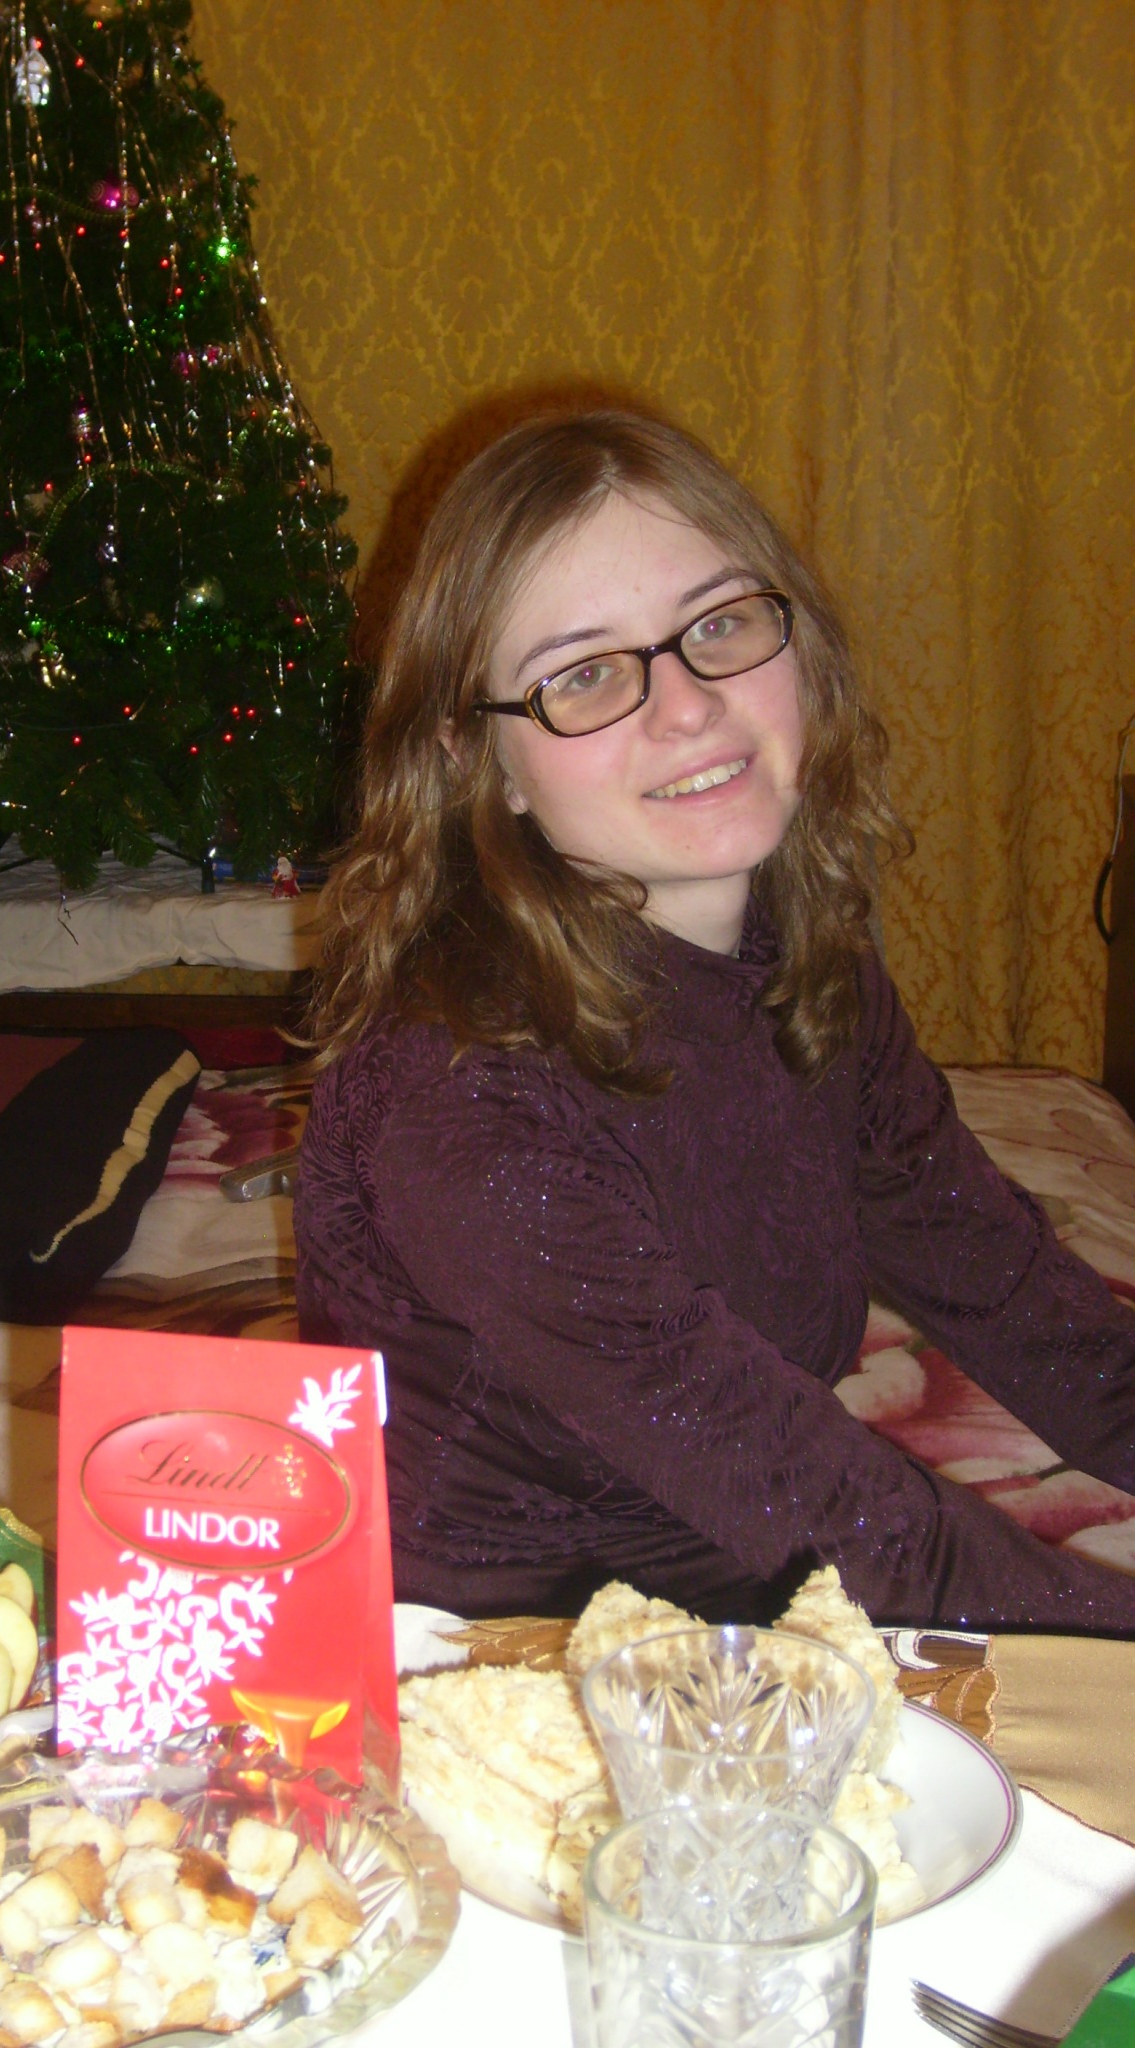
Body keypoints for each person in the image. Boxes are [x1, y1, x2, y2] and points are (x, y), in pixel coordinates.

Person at [295, 409, 1135, 1631]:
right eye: (585, 674)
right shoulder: (461, 1101)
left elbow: (1001, 1281)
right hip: (521, 1657)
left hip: (742, 1571)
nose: (686, 705)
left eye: (720, 623)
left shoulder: (792, 952)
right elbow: (844, 1520)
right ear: (486, 763)